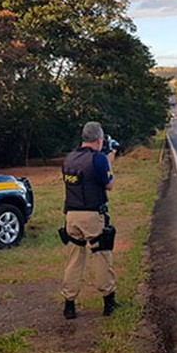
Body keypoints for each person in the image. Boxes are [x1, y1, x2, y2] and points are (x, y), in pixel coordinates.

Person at [61, 122, 118, 319]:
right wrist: (110, 160)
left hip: (71, 216)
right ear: (99, 140)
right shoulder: (99, 159)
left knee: (73, 261)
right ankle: (108, 301)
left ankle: (69, 304)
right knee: (101, 257)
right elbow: (109, 185)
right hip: (92, 215)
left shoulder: (69, 159)